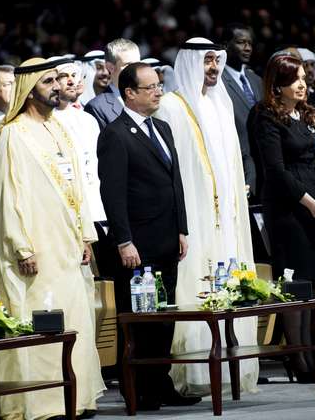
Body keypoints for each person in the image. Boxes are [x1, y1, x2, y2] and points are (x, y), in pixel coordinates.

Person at [0, 57, 105, 419]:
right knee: (40, 322)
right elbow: (8, 197)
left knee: (75, 320)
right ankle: (43, 402)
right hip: (36, 247)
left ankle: (78, 397)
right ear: (29, 91)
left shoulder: (59, 128)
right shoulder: (13, 134)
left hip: (69, 246)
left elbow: (77, 189)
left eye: (57, 79)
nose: (56, 86)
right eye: (47, 82)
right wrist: (21, 247)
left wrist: (86, 236)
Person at [155, 38, 258, 394]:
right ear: (190, 63)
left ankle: (232, 370)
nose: (213, 68)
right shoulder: (170, 106)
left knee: (229, 283)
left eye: (216, 60)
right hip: (192, 219)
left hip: (226, 219)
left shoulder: (222, 104)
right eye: (207, 61)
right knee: (194, 285)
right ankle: (193, 374)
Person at [98, 62, 201, 410]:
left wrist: (182, 228)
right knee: (139, 321)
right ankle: (136, 387)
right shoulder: (115, 134)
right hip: (138, 245)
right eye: (151, 87)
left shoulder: (163, 128)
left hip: (167, 238)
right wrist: (124, 240)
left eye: (159, 85)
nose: (159, 91)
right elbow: (113, 194)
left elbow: (176, 183)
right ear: (129, 93)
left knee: (164, 318)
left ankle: (161, 381)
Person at [251, 54, 315, 381]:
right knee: (293, 285)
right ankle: (298, 359)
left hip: (314, 207)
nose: (303, 84)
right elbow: (275, 171)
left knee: (313, 284)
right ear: (277, 85)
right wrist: (308, 202)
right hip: (288, 210)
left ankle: (312, 352)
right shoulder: (265, 117)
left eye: (304, 77)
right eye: (294, 79)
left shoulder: (304, 114)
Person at [52, 60, 109, 273]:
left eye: (74, 76)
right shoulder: (46, 121)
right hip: (68, 213)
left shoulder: (88, 120)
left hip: (98, 210)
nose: (70, 81)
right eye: (62, 76)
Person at [221, 24, 262, 197]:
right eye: (241, 42)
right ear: (225, 45)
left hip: (263, 159)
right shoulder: (218, 81)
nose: (247, 48)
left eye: (250, 43)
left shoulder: (256, 79)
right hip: (238, 159)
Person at [84, 38, 140, 130]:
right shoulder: (97, 107)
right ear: (110, 67)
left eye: (138, 64)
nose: (135, 69)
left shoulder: (148, 96)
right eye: (128, 65)